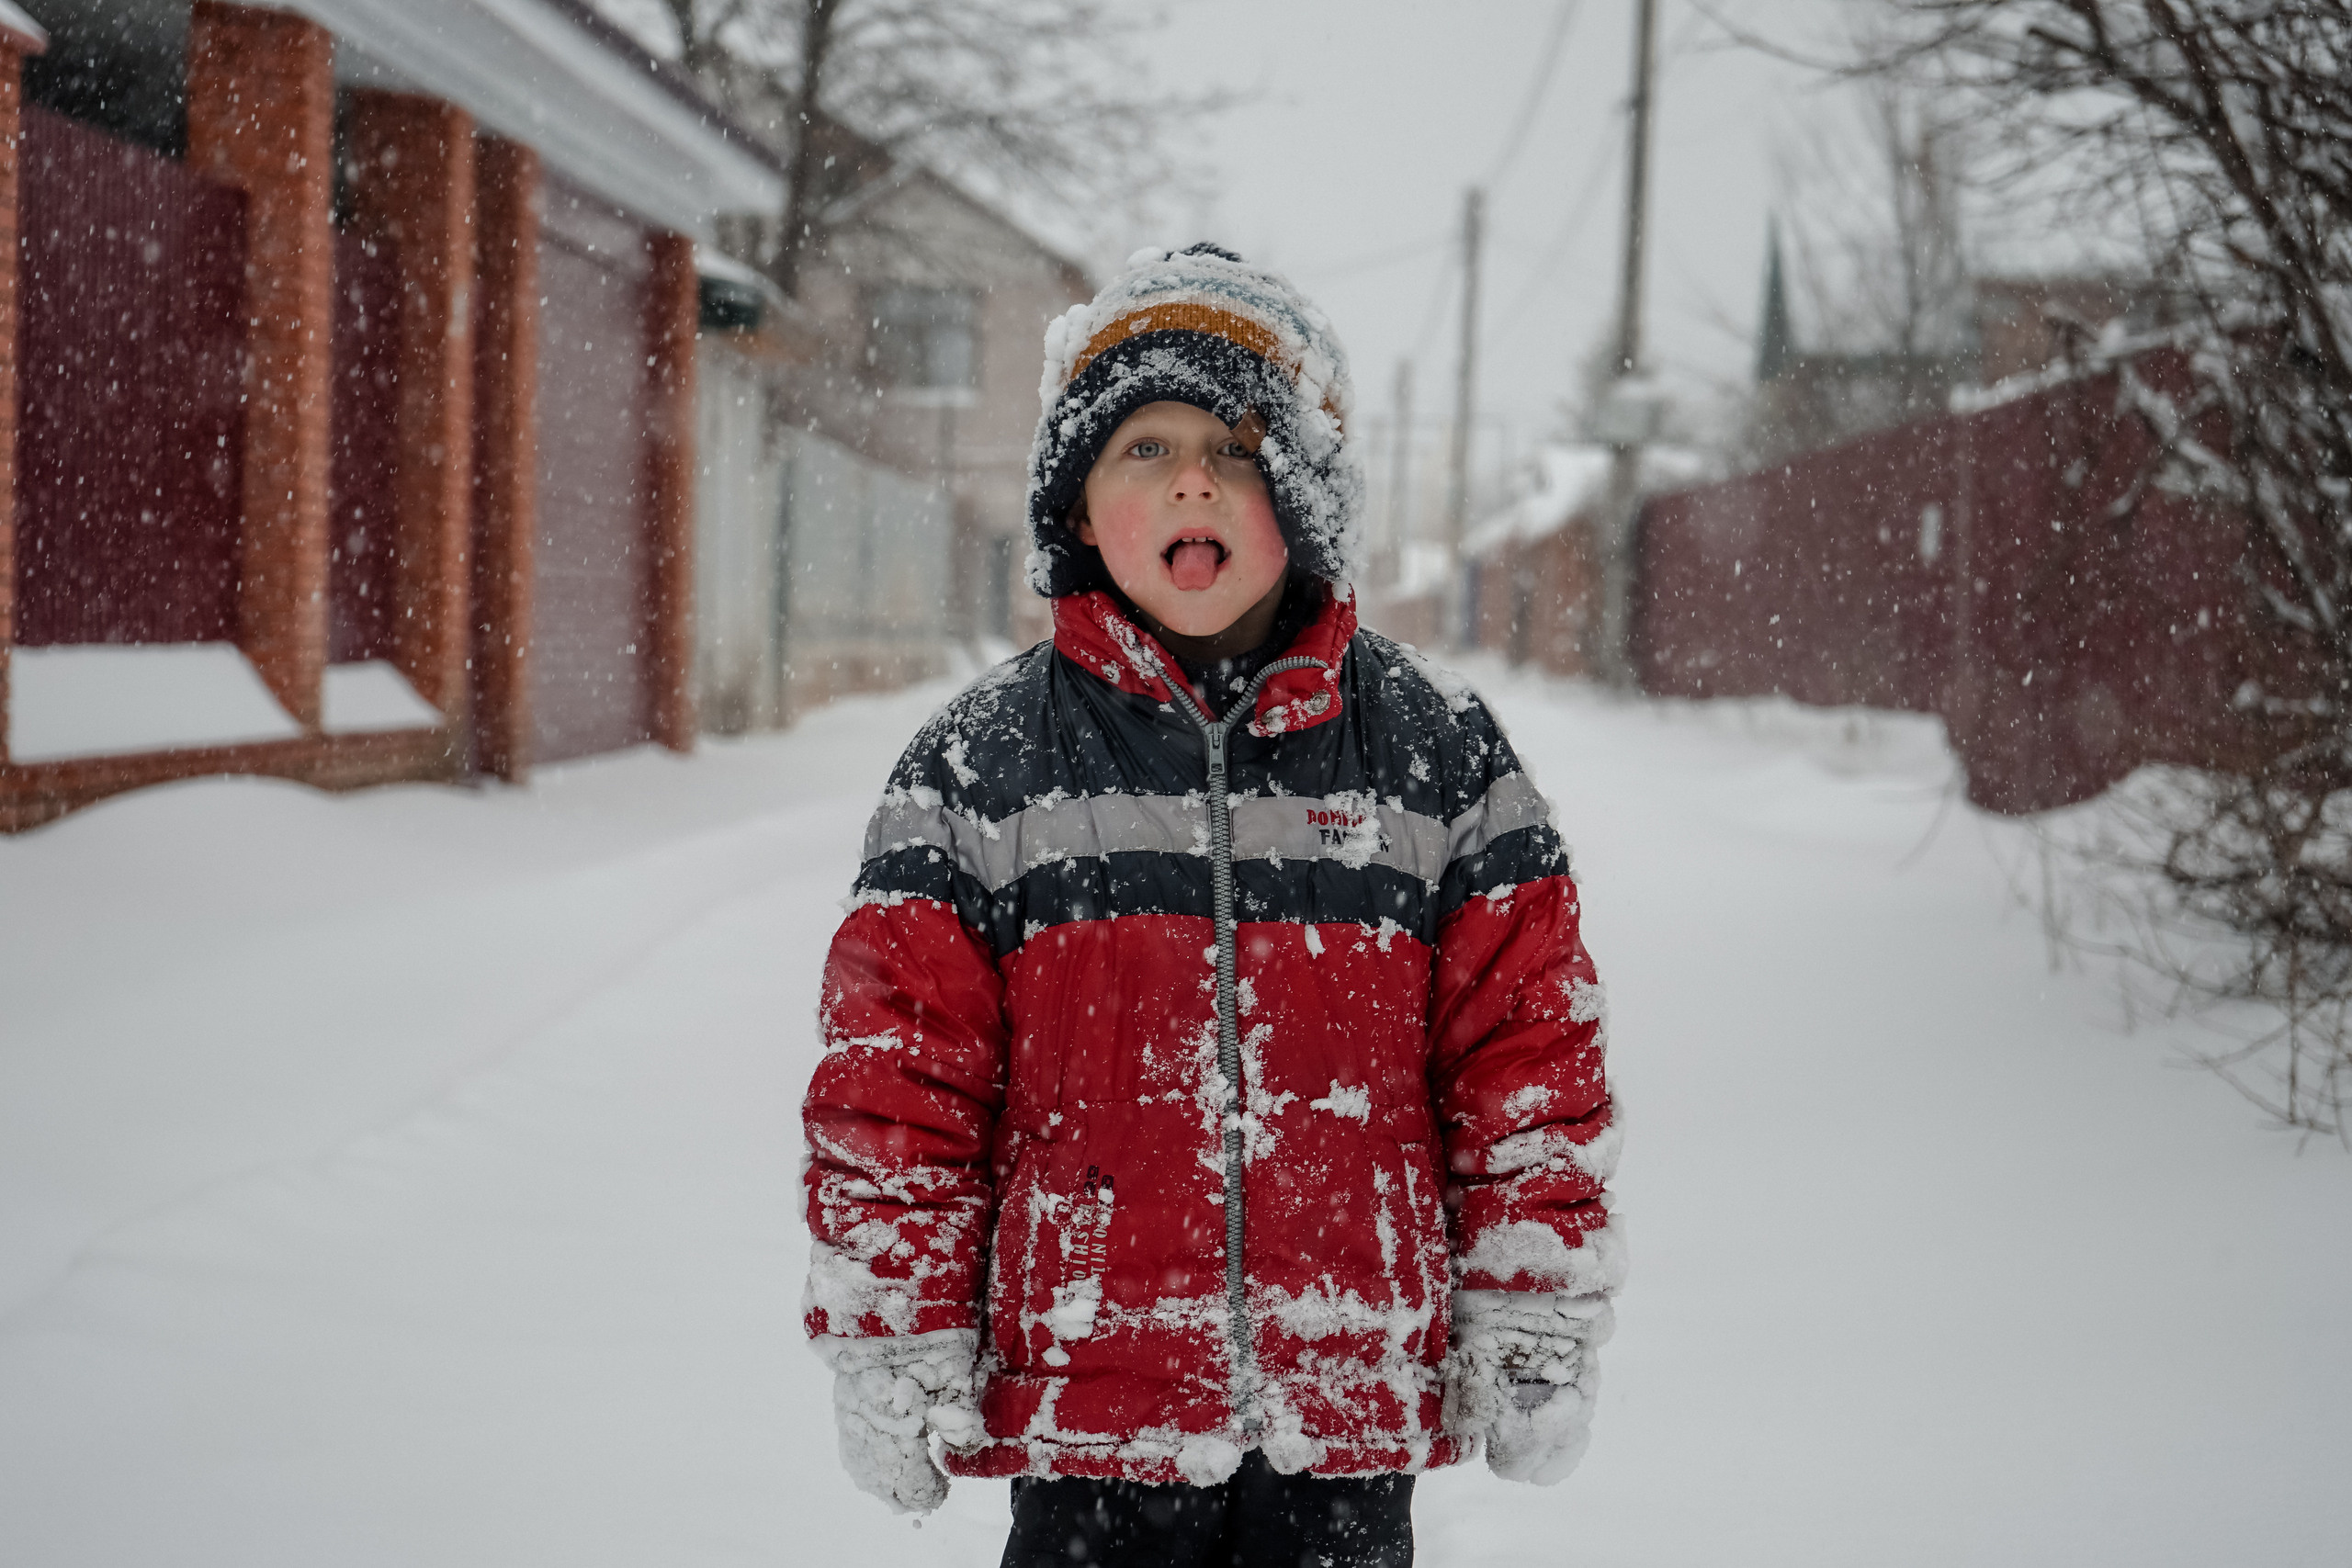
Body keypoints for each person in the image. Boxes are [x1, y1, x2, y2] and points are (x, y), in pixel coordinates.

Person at [802, 243, 1621, 1567]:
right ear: (1077, 508)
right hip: (1089, 1403)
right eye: (1144, 449)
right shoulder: (982, 769)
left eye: (1236, 448)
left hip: (1343, 1399)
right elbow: (902, 1075)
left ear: (1307, 492)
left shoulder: (1434, 752)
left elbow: (1524, 1050)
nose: (1193, 479)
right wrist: (895, 1322)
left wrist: (1531, 1302)